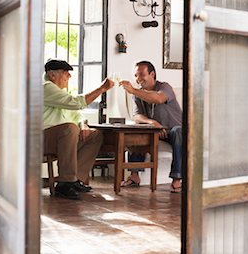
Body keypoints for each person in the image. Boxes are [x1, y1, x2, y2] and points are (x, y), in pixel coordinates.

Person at [43, 58, 114, 200]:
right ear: (52, 75)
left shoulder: (60, 94)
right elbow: (76, 104)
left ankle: (75, 180)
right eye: (66, 73)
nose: (69, 76)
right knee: (69, 128)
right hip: (39, 140)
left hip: (59, 140)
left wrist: (83, 125)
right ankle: (65, 182)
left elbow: (76, 114)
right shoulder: (46, 87)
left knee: (95, 135)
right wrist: (101, 89)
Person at [120, 61, 182, 193]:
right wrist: (152, 123)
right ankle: (134, 176)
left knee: (178, 132)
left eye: (141, 75)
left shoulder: (165, 87)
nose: (138, 79)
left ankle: (177, 178)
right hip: (155, 130)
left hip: (174, 128)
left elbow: (158, 98)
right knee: (136, 132)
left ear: (152, 74)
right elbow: (137, 116)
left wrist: (133, 90)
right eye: (136, 76)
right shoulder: (137, 94)